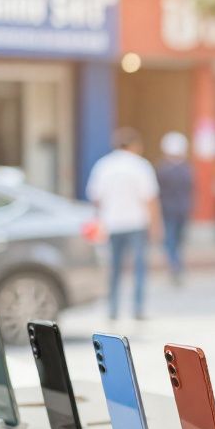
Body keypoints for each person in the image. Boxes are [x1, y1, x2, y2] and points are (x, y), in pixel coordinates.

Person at [86, 128, 161, 320]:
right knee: (139, 268)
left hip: (112, 223)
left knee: (114, 268)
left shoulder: (104, 166)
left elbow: (95, 197)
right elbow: (150, 198)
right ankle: (138, 308)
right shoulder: (140, 166)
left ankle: (113, 309)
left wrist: (100, 218)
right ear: (134, 145)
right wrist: (156, 225)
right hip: (136, 223)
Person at [156, 132, 194, 286]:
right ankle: (177, 264)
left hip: (168, 209)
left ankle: (174, 264)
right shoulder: (186, 169)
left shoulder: (163, 169)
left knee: (170, 239)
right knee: (177, 240)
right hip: (182, 208)